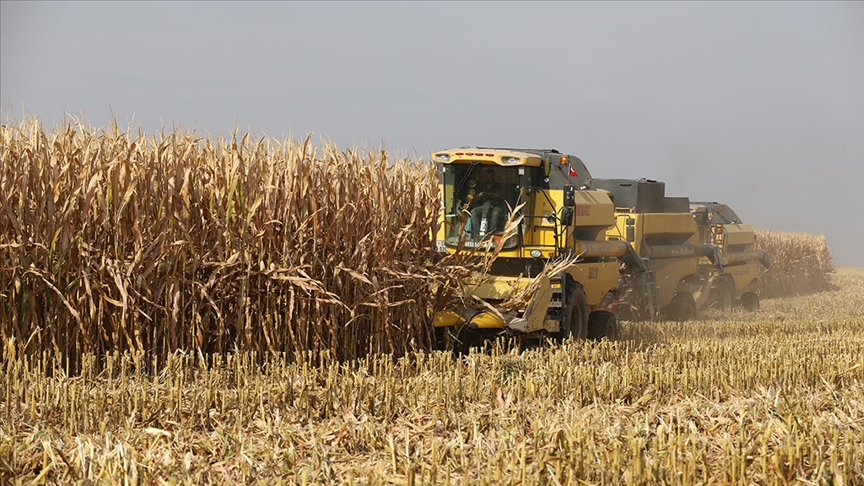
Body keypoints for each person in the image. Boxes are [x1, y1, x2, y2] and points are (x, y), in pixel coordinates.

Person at [468, 167, 505, 238]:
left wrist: (485, 193)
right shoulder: (481, 185)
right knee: (474, 212)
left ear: (494, 176)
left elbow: (498, 195)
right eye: (487, 177)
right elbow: (476, 196)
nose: (489, 178)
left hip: (497, 206)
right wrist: (478, 196)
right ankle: (477, 234)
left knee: (495, 213)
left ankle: (490, 235)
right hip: (483, 206)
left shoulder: (498, 185)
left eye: (490, 176)